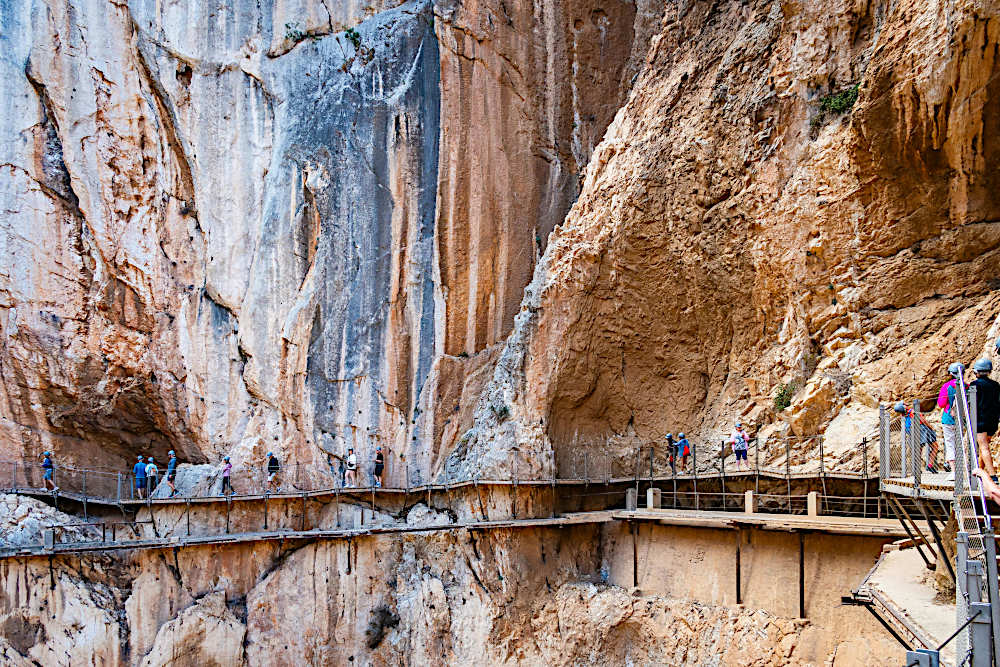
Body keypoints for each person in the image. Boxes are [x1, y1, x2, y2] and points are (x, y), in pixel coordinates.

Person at [970, 358, 1000, 481]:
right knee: (985, 446)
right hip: (993, 420)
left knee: (983, 447)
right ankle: (981, 472)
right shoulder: (996, 385)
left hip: (980, 419)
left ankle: (992, 476)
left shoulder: (974, 385)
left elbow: (972, 403)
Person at [893, 401, 938, 473]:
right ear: (904, 407)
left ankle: (917, 468)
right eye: (904, 404)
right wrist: (931, 427)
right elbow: (923, 420)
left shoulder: (903, 416)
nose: (905, 403)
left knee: (918, 450)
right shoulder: (912, 412)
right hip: (922, 430)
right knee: (935, 446)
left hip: (912, 432)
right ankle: (930, 465)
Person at [938, 364, 961, 480]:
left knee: (950, 443)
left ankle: (954, 471)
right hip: (962, 419)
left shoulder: (947, 386)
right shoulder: (966, 386)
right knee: (959, 443)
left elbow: (941, 403)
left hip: (949, 418)